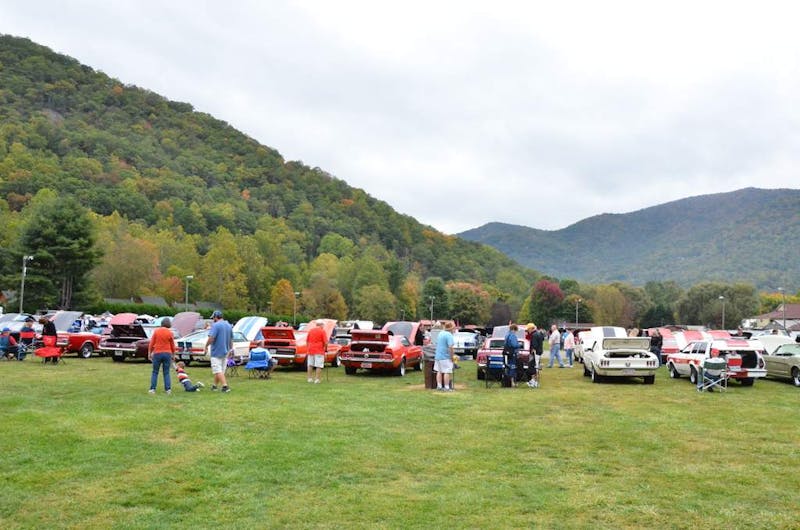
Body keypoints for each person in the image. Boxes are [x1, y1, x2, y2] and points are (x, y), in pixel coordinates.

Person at [205, 310, 233, 393]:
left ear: (215, 317)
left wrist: (206, 346)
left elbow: (211, 338)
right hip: (226, 351)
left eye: (213, 318)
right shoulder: (228, 325)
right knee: (221, 370)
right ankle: (214, 386)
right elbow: (231, 339)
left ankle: (225, 386)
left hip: (216, 351)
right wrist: (231, 349)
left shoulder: (216, 325)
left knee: (217, 370)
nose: (213, 319)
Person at [148, 317, 176, 394]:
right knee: (166, 372)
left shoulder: (156, 331)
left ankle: (152, 389)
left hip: (157, 353)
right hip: (167, 353)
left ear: (162, 323)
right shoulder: (170, 333)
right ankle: (168, 389)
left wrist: (149, 353)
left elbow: (151, 343)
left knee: (155, 371)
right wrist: (173, 354)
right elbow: (172, 345)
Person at [434, 321, 455, 391]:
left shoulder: (441, 333)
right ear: (451, 328)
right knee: (447, 371)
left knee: (439, 371)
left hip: (438, 356)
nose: (454, 330)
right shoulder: (449, 335)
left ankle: (439, 386)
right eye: (453, 328)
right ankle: (447, 387)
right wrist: (452, 357)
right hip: (445, 356)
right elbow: (450, 347)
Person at [306, 320, 327, 384]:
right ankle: (317, 379)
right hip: (319, 350)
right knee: (319, 365)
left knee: (310, 364)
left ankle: (309, 378)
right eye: (323, 325)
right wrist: (325, 349)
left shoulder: (311, 330)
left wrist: (308, 348)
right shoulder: (322, 331)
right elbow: (325, 342)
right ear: (321, 325)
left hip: (310, 349)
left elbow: (307, 341)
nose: (323, 326)